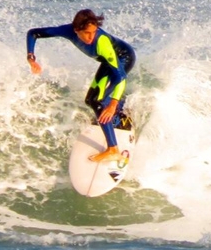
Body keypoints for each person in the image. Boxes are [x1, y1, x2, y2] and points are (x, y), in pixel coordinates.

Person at [26, 9, 136, 162]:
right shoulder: (68, 31)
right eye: (87, 33)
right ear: (77, 30)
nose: (91, 37)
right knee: (91, 100)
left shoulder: (102, 43)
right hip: (107, 62)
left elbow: (120, 76)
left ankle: (113, 149)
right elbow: (33, 33)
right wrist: (31, 58)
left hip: (123, 59)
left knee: (97, 101)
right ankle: (120, 113)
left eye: (94, 32)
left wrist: (112, 103)